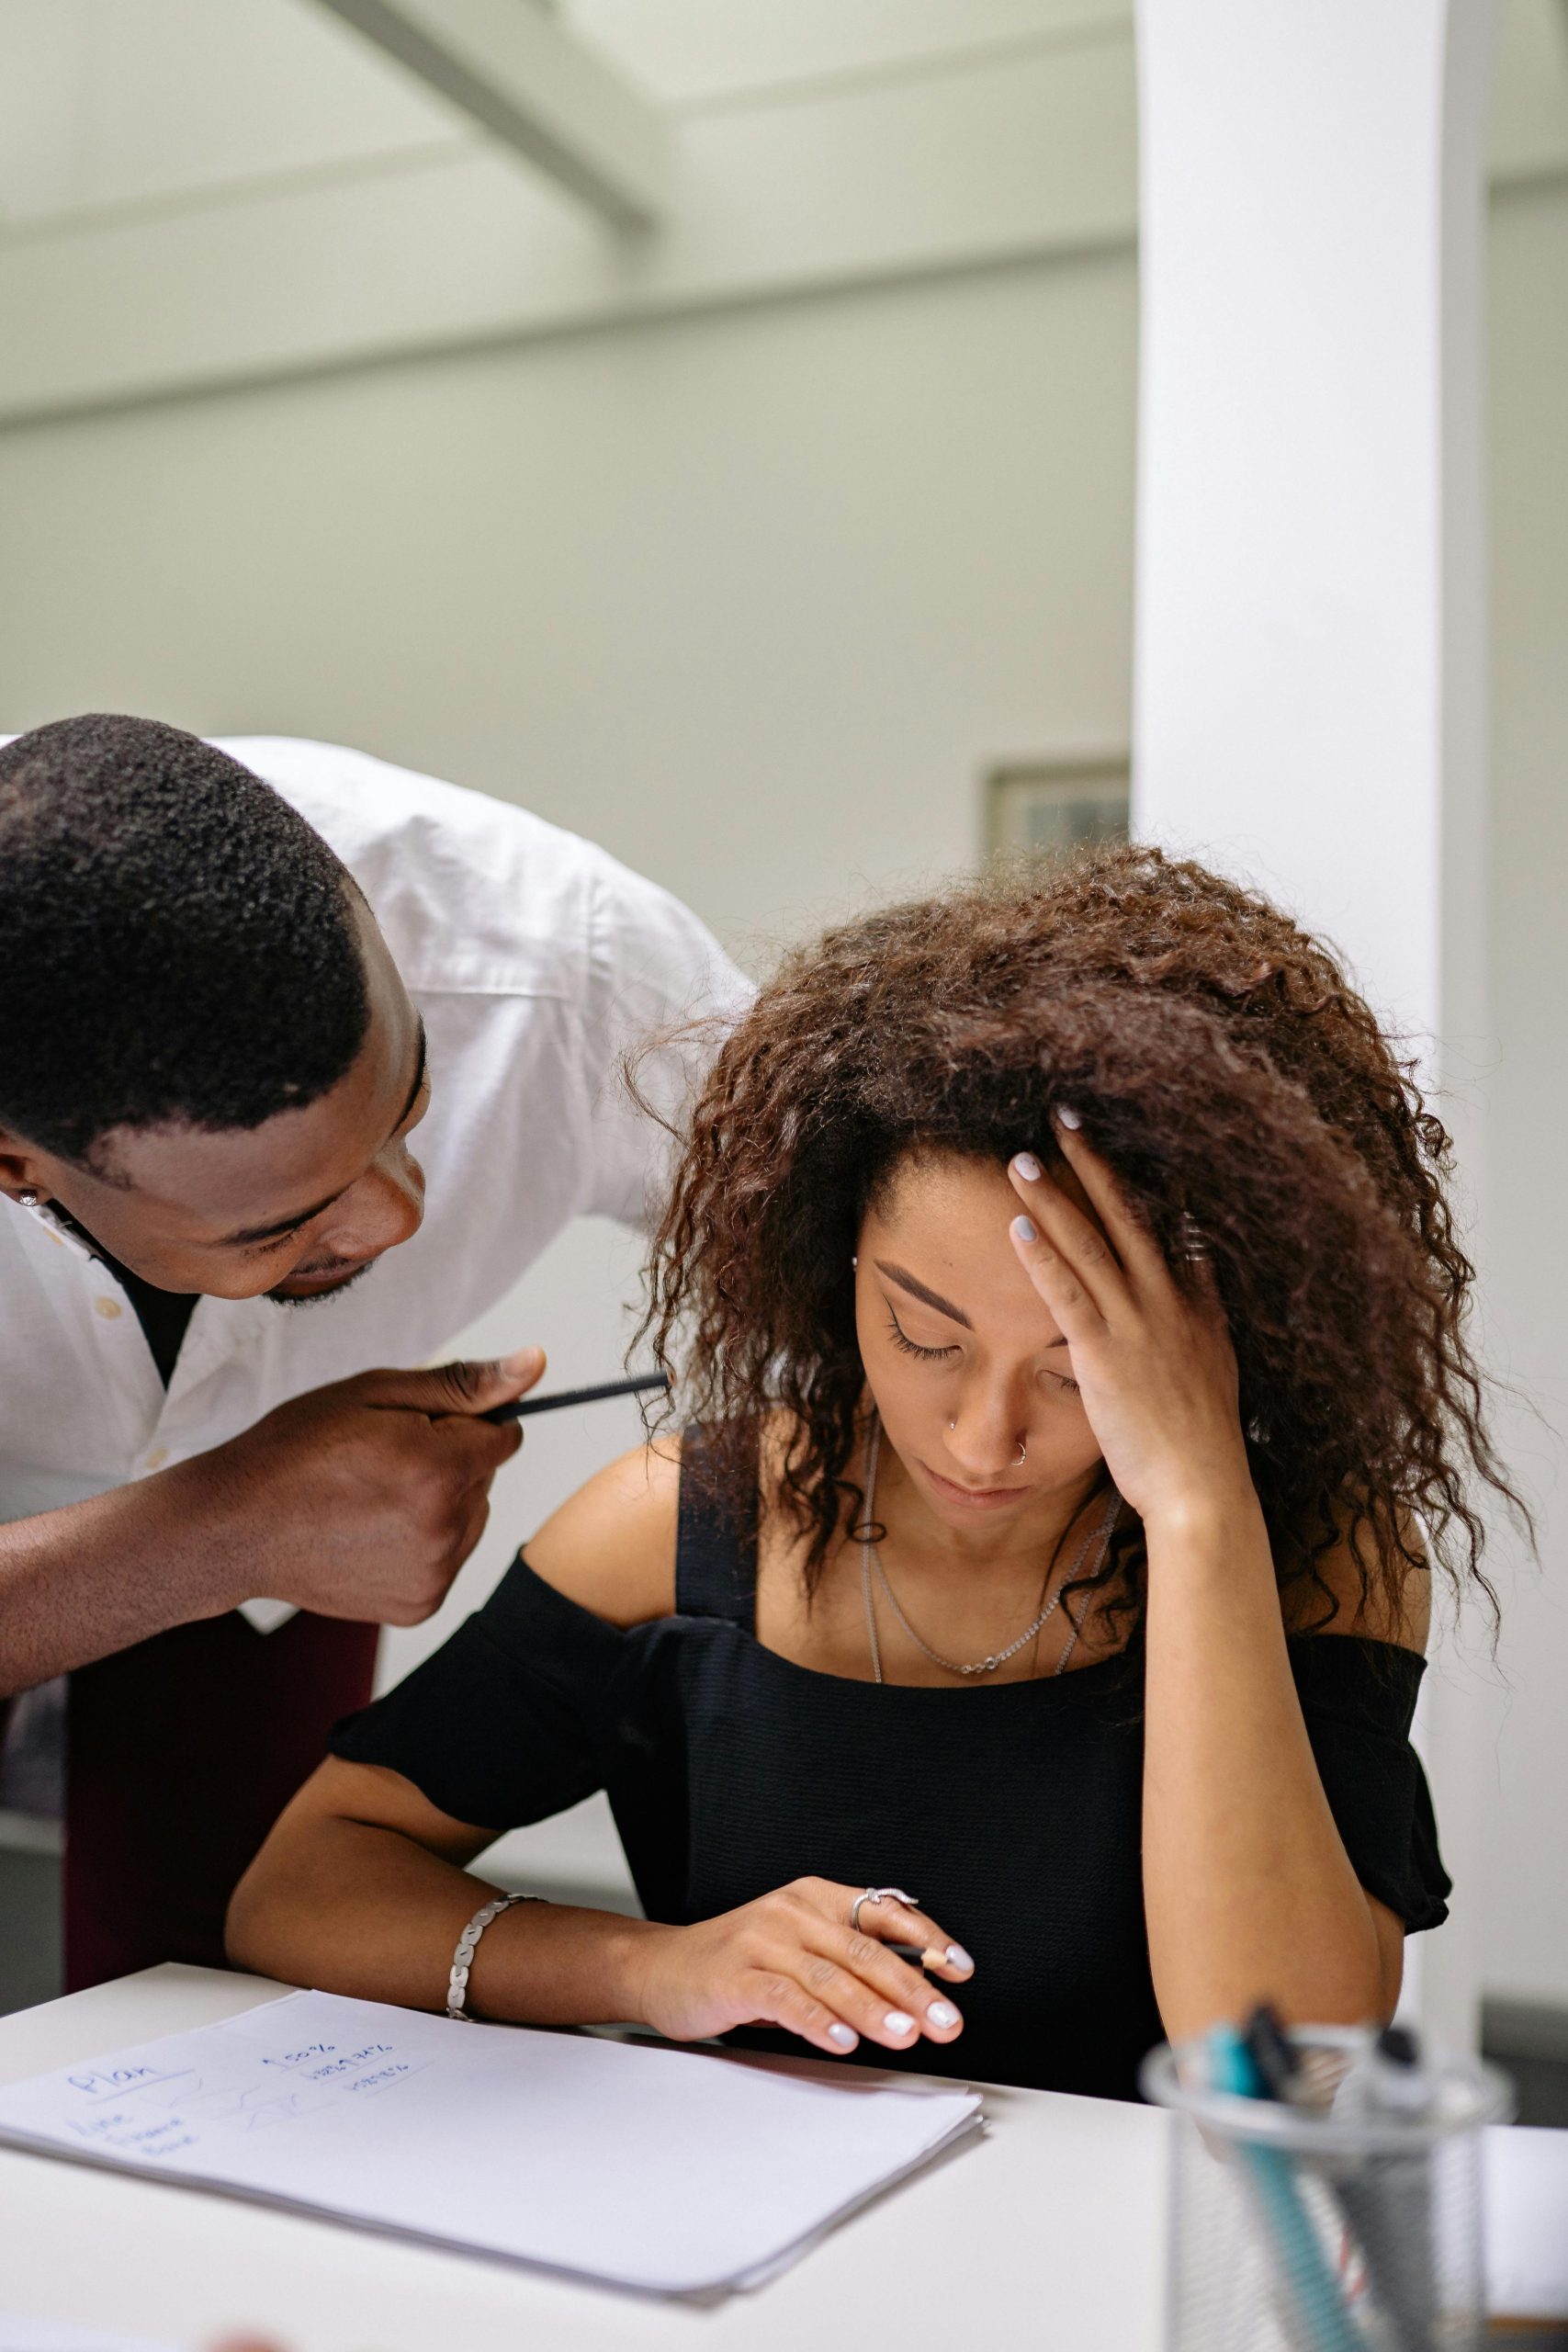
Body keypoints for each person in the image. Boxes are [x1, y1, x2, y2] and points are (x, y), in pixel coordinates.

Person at [229, 847, 1516, 2100]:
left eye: (1076, 1371)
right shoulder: (677, 1528)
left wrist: (1196, 1509)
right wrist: (646, 1965)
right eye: (924, 1335)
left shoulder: (1313, 1547)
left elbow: (1285, 2061)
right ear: (832, 1256)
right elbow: (302, 1888)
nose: (980, 1434)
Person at [0, 714, 747, 1987]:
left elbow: (869, 1227)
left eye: (406, 1105)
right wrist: (216, 1530)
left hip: (274, 1602)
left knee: (225, 2023)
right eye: (283, 1220)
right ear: (19, 1168)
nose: (399, 1215)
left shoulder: (565, 963)